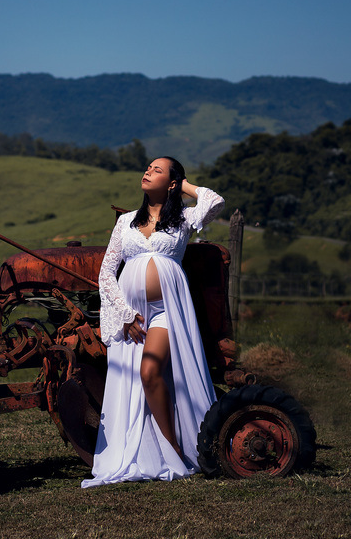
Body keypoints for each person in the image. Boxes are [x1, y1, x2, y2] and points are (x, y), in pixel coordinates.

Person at [82, 156, 224, 487]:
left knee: (148, 372)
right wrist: (125, 314)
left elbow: (214, 200)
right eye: (147, 167)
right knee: (140, 380)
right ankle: (157, 446)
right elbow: (106, 273)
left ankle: (175, 447)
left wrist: (184, 184)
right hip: (134, 316)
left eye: (157, 170)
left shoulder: (184, 219)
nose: (147, 171)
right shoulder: (127, 222)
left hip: (166, 311)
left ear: (172, 183)